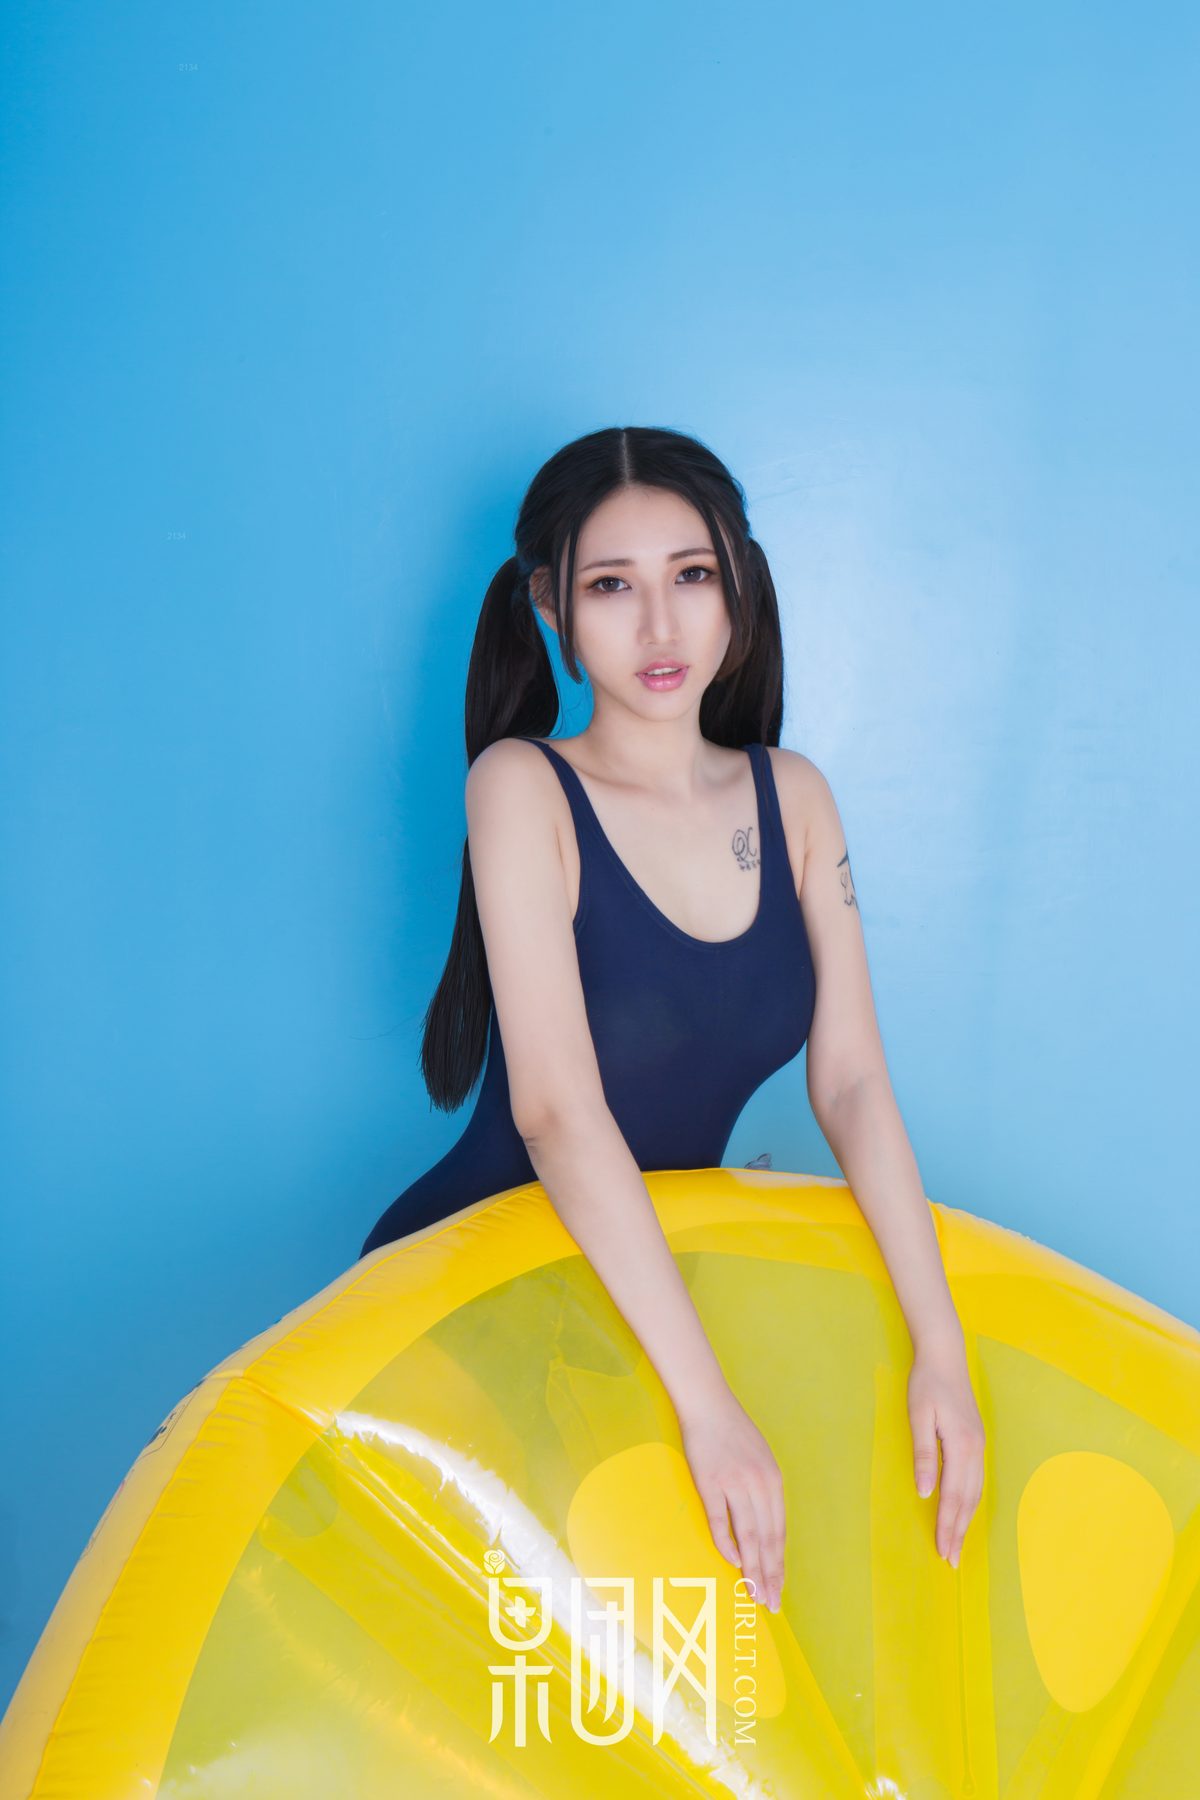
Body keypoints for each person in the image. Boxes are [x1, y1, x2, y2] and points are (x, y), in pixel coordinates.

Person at [359, 425, 986, 1615]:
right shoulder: (521, 788)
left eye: (692, 575)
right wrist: (710, 1411)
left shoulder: (795, 798)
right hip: (476, 1301)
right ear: (551, 606)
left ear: (738, 583)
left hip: (643, 1305)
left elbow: (851, 1083)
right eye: (611, 587)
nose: (660, 625)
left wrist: (939, 1348)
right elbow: (556, 1112)